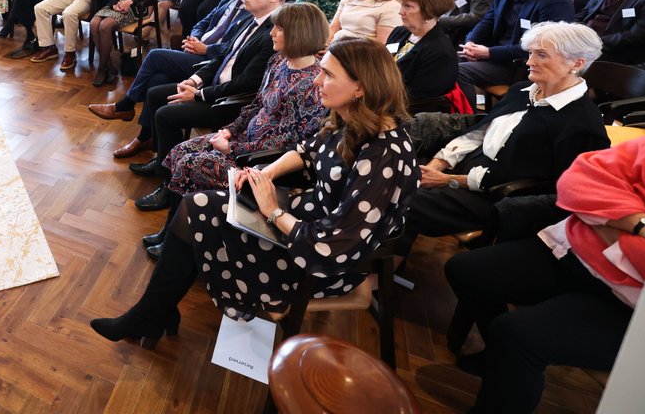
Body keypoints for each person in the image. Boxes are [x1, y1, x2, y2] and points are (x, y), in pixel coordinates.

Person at [90, 37, 418, 345]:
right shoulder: (355, 119)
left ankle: (152, 314)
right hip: (306, 219)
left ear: (361, 86)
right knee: (195, 207)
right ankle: (154, 312)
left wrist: (273, 210)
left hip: (317, 261)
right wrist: (266, 172)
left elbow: (332, 247)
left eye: (328, 75)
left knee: (199, 214)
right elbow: (307, 150)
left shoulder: (384, 155)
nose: (318, 81)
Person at [445, 133, 645, 413]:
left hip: (634, 306)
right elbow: (577, 178)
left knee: (516, 335)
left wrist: (604, 221)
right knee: (465, 270)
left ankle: (510, 361)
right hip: (572, 252)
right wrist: (641, 225)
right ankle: (501, 360)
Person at [403, 22, 609, 256]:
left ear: (577, 63)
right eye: (530, 53)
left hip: (495, 196)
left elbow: (558, 191)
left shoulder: (582, 124)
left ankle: (374, 270)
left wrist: (446, 180)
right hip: (463, 168)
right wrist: (438, 164)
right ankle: (387, 259)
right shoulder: (523, 90)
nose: (529, 62)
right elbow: (479, 132)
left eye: (541, 55)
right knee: (394, 168)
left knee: (399, 196)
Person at [137, 2, 329, 241]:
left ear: (298, 34)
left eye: (278, 29)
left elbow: (290, 141)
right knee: (179, 151)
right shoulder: (279, 61)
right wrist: (229, 130)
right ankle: (173, 231)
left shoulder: (313, 84)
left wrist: (233, 148)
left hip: (261, 162)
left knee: (190, 163)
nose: (271, 32)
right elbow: (257, 103)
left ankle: (180, 240)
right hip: (244, 141)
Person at [87, 0, 260, 157]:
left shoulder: (252, 9)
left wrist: (205, 49)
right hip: (198, 50)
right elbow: (203, 22)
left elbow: (233, 50)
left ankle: (125, 105)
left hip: (210, 62)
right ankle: (146, 138)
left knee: (155, 56)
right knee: (157, 80)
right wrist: (193, 39)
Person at [127, 0, 288, 179]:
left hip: (230, 102)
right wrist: (194, 80)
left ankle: (168, 182)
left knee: (165, 114)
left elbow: (247, 83)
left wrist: (197, 94)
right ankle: (161, 162)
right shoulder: (253, 18)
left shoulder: (273, 33)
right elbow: (222, 56)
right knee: (156, 93)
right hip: (215, 86)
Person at [458, 0, 575, 94]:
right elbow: (487, 21)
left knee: (457, 71)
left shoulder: (553, 0)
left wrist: (489, 53)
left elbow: (541, 48)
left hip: (523, 65)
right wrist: (471, 41)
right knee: (443, 60)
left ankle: (466, 116)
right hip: (498, 56)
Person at [385, 0, 459, 102]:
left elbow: (417, 99)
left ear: (429, 11)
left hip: (405, 111)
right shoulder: (400, 32)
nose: (400, 12)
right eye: (402, 5)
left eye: (408, 6)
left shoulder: (439, 52)